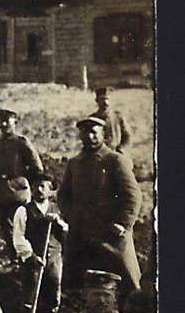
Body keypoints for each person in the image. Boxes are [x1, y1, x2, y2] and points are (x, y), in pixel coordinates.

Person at [58, 116, 143, 291]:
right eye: (84, 132)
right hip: (82, 232)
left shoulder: (115, 160)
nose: (89, 136)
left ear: (103, 135)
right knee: (78, 283)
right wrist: (70, 216)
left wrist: (122, 223)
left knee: (127, 283)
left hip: (110, 234)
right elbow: (64, 194)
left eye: (93, 132)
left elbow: (133, 195)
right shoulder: (74, 163)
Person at [9, 175, 66, 313]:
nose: (39, 190)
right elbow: (18, 237)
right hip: (32, 261)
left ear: (50, 190)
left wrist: (59, 223)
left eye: (43, 187)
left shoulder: (57, 210)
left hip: (53, 258)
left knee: (53, 291)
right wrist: (31, 256)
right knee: (31, 293)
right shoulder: (23, 210)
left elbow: (66, 234)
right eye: (35, 187)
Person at [0, 108, 45, 237]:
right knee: (7, 230)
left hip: (18, 193)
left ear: (15, 122)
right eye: (1, 121)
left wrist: (21, 180)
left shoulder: (21, 142)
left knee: (22, 227)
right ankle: (14, 257)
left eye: (7, 121)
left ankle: (26, 256)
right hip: (1, 192)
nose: (3, 124)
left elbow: (37, 168)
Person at [90, 86, 132, 156]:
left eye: (107, 99)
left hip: (117, 153)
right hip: (99, 154)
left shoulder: (118, 117)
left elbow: (127, 136)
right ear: (97, 100)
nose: (106, 102)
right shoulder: (92, 118)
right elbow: (89, 139)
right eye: (102, 99)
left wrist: (122, 148)